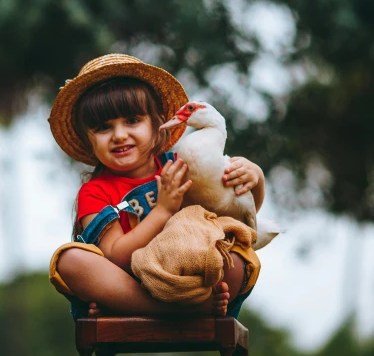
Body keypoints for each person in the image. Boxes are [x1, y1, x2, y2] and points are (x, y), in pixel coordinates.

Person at [49, 54, 262, 319]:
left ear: (157, 124)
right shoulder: (95, 192)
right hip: (130, 281)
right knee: (71, 260)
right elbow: (115, 257)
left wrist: (256, 176)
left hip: (186, 272)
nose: (119, 135)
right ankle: (169, 310)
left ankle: (157, 304)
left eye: (132, 121)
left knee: (237, 256)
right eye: (104, 127)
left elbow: (238, 212)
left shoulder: (183, 165)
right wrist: (161, 211)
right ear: (87, 139)